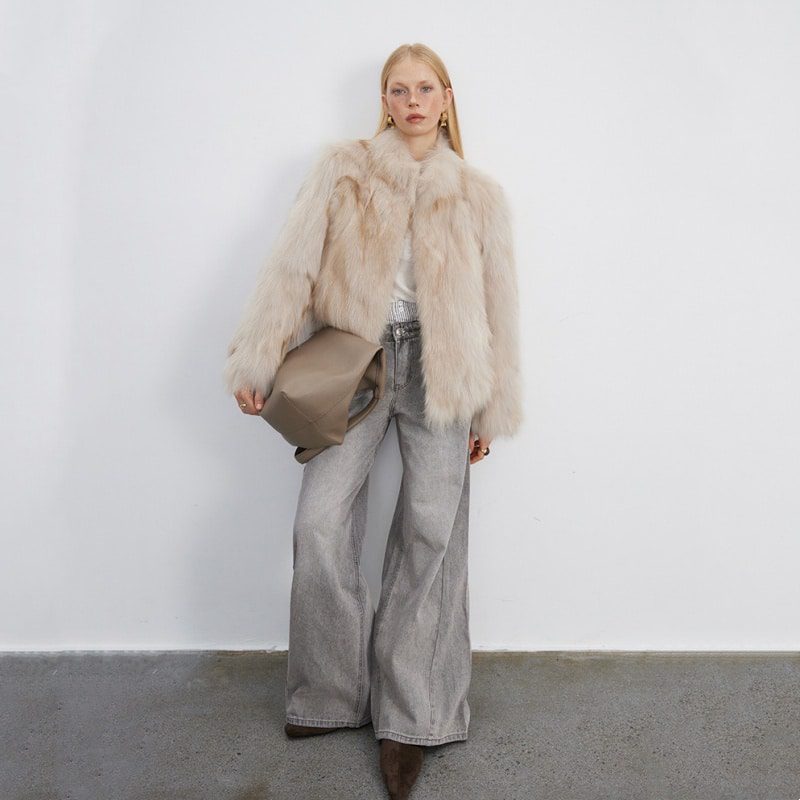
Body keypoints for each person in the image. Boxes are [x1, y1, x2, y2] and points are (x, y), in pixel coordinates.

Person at [223, 42, 523, 800]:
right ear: (384, 100)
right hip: (352, 360)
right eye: (399, 89)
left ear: (447, 100)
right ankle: (330, 696)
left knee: (432, 533)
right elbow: (292, 268)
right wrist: (259, 359)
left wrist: (491, 406)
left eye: (426, 89)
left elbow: (498, 309)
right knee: (320, 524)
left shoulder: (479, 195)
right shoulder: (344, 170)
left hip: (443, 369)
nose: (412, 101)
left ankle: (413, 718)